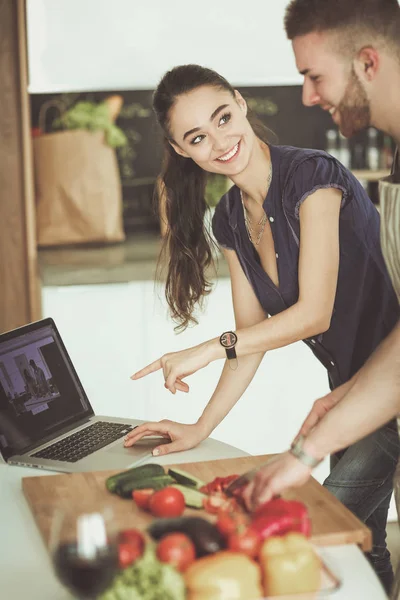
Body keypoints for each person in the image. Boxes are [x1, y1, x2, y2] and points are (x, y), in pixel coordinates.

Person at [123, 64, 399, 591]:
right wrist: (200, 428)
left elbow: (312, 313)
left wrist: (209, 347)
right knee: (361, 542)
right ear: (183, 151)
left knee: (319, 527)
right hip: (347, 394)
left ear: (241, 104)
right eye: (198, 137)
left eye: (223, 118)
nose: (221, 141)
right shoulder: (229, 218)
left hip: (387, 386)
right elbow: (251, 341)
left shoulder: (313, 177)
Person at [239, 0, 400, 592]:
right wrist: (346, 401)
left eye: (313, 76)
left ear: (366, 62)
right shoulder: (395, 157)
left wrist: (306, 455)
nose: (307, 97)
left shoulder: (314, 178)